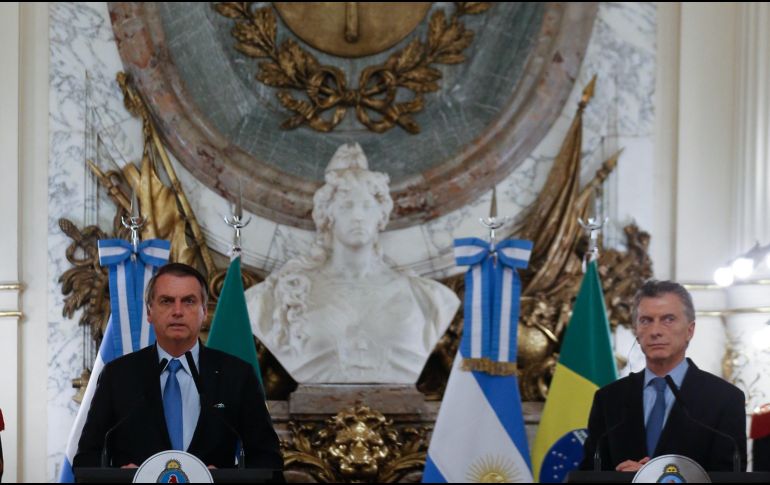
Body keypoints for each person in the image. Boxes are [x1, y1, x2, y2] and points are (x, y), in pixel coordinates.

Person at [246, 143, 459, 383]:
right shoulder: (281, 295)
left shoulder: (428, 297)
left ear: (381, 214)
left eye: (367, 206)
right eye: (347, 206)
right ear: (328, 215)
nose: (358, 215)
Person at [73, 263, 283, 471]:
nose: (178, 311)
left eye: (189, 301)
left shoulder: (237, 375)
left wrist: (226, 479)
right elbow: (86, 458)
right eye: (166, 301)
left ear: (203, 311)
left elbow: (267, 459)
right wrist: (119, 478)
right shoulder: (118, 376)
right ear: (149, 311)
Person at [580, 280, 747, 472]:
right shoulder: (609, 399)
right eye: (646, 321)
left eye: (668, 319)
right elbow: (589, 472)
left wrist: (654, 477)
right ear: (636, 331)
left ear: (690, 330)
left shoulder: (724, 398)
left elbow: (731, 476)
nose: (655, 331)